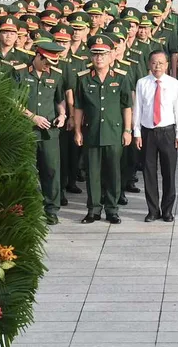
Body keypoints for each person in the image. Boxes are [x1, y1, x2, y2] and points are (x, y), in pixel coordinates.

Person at [74, 36, 133, 224]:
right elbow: (78, 107)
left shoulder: (121, 77)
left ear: (111, 56)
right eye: (95, 54)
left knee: (113, 173)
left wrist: (127, 130)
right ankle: (93, 209)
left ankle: (112, 209)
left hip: (113, 133)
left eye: (103, 54)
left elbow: (127, 106)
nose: (99, 58)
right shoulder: (83, 78)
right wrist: (77, 130)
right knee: (92, 173)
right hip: (91, 132)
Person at [19, 41, 67, 225]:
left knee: (51, 170)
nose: (48, 67)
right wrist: (33, 117)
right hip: (27, 130)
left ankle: (51, 210)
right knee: (28, 171)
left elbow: (60, 99)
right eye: (46, 62)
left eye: (52, 64)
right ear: (38, 56)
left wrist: (62, 115)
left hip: (49, 133)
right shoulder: (20, 72)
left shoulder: (56, 74)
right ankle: (29, 209)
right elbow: (13, 100)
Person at [133, 50, 178, 222]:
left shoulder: (173, 83)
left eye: (161, 63)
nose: (157, 66)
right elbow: (138, 109)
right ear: (149, 64)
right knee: (149, 172)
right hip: (148, 132)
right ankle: (153, 210)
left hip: (167, 132)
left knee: (168, 172)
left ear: (167, 65)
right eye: (154, 63)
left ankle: (167, 210)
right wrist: (137, 132)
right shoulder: (142, 83)